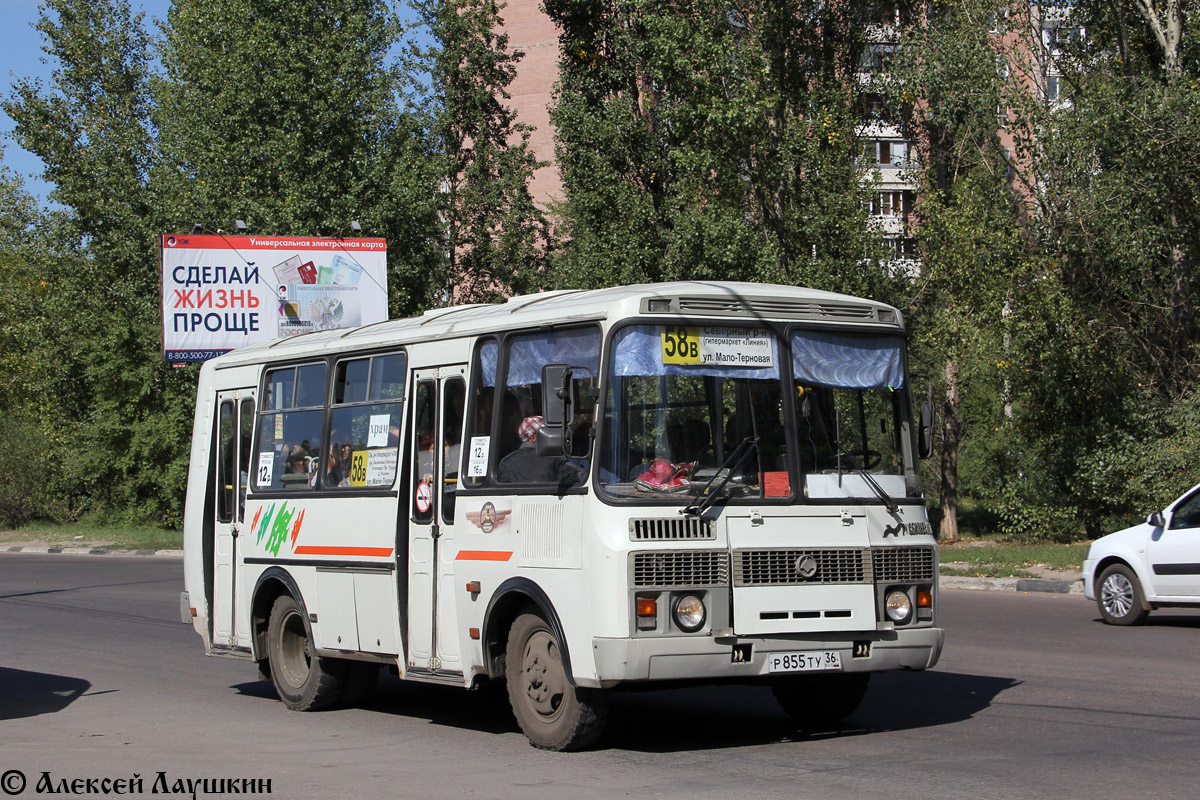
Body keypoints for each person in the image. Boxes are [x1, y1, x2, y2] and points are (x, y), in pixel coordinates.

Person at [497, 416, 585, 487]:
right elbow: (582, 476)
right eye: (546, 434)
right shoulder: (552, 459)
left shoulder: (506, 462)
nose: (551, 437)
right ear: (533, 438)